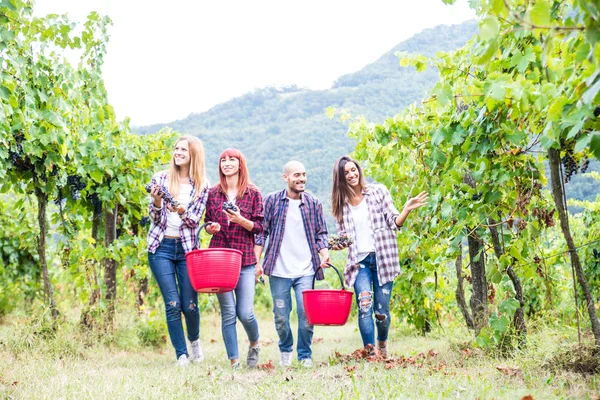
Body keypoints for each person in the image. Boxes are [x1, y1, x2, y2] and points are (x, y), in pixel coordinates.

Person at [330, 155, 428, 357]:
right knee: (364, 306)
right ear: (340, 178)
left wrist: (406, 210)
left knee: (381, 313)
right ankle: (371, 353)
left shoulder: (378, 192)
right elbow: (344, 238)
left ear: (359, 170)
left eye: (353, 169)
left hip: (383, 258)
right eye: (346, 172)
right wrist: (334, 245)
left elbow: (394, 222)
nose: (351, 174)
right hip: (359, 263)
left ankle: (382, 345)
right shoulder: (342, 205)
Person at [254, 160, 330, 368]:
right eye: (296, 175)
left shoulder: (313, 203)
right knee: (280, 316)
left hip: (306, 269)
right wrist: (257, 261)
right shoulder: (271, 201)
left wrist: (324, 254)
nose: (301, 179)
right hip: (278, 270)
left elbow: (321, 234)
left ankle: (304, 355)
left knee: (306, 314)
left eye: (304, 174)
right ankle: (286, 349)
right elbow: (262, 233)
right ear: (285, 177)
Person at [147, 135, 210, 367]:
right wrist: (156, 202)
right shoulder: (160, 178)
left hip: (187, 251)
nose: (178, 152)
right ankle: (181, 355)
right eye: (176, 148)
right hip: (161, 247)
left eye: (183, 149)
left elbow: (194, 221)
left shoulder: (202, 185)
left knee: (190, 305)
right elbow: (153, 219)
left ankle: (194, 343)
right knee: (172, 303)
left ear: (194, 154)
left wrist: (182, 210)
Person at [204, 148, 264, 370]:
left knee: (245, 312)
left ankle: (255, 343)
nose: (227, 163)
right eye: (223, 160)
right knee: (228, 312)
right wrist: (212, 227)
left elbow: (259, 227)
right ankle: (235, 361)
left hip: (245, 259)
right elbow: (207, 223)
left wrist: (240, 220)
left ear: (240, 164)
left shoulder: (253, 193)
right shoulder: (212, 193)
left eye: (232, 160)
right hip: (219, 259)